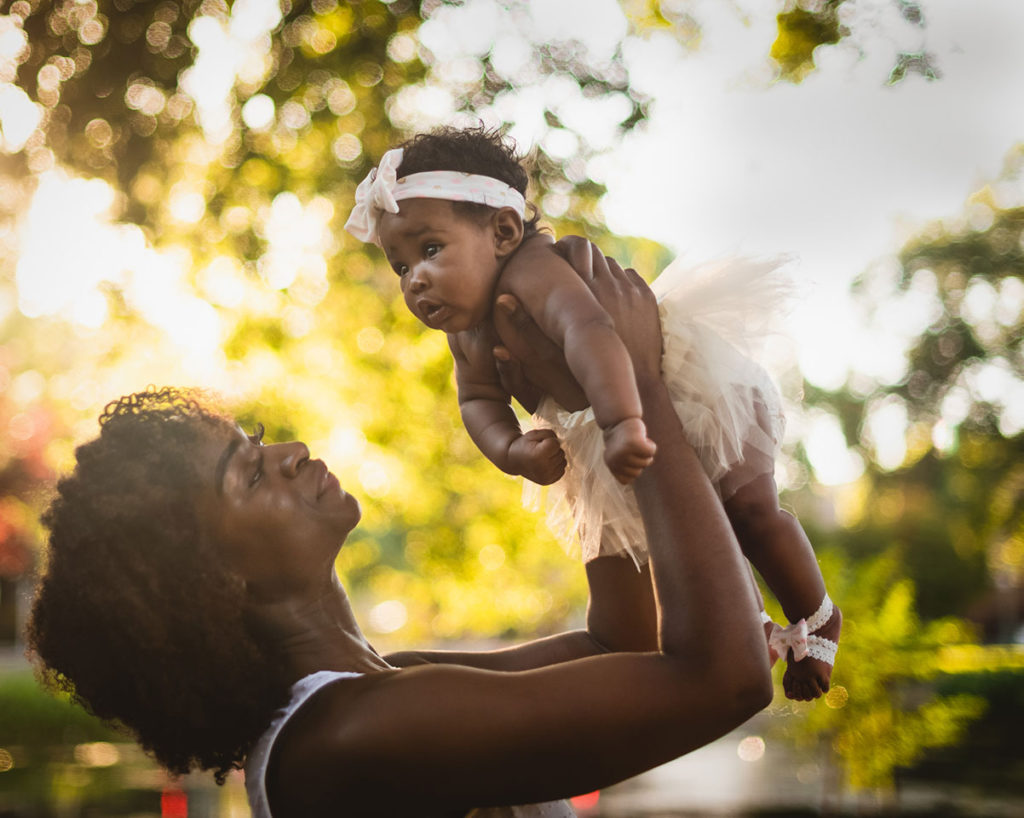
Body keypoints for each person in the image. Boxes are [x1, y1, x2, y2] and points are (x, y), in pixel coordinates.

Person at [26, 243, 772, 818]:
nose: (287, 454)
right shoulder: (352, 734)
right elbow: (722, 678)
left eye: (258, 443)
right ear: (213, 579)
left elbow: (620, 646)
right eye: (249, 475)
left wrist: (570, 409)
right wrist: (636, 387)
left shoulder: (383, 684)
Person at [344, 126, 841, 700]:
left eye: (430, 250)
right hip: (592, 431)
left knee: (747, 511)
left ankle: (816, 613)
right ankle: (742, 623)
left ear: (504, 231)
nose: (416, 280)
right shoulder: (466, 334)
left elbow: (590, 331)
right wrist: (510, 449)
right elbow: (477, 401)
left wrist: (625, 419)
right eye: (400, 267)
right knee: (642, 567)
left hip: (681, 390)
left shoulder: (535, 270)